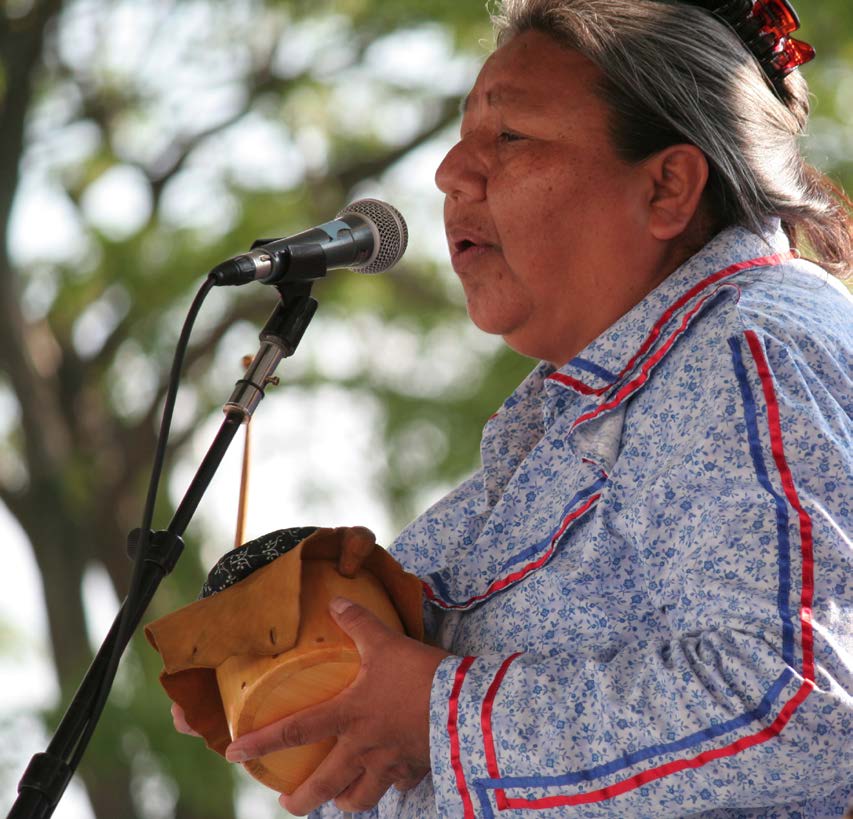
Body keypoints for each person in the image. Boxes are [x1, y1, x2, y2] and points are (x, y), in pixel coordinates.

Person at [174, 0, 853, 815]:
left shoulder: (748, 345)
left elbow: (804, 704)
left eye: (509, 136)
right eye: (464, 135)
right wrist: (306, 693)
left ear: (667, 186)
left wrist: (438, 713)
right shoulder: (571, 417)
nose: (450, 172)